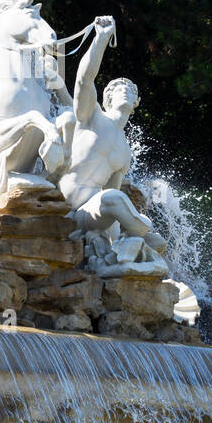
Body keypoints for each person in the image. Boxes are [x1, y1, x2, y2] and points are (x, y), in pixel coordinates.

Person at [52, 16, 166, 252]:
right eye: (118, 89)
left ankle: (134, 241)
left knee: (113, 200)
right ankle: (140, 237)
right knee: (118, 204)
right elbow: (84, 79)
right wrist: (101, 39)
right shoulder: (91, 116)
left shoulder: (125, 153)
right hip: (61, 204)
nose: (125, 92)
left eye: (130, 91)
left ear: (136, 102)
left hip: (88, 214)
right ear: (107, 98)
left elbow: (111, 193)